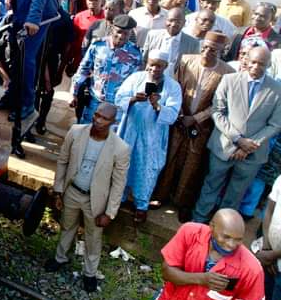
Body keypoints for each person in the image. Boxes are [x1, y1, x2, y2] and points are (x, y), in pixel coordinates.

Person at [44, 103, 130, 293]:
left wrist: (110, 213)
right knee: (67, 227)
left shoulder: (120, 149)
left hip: (95, 201)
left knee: (93, 237)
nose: (98, 120)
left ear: (113, 122)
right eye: (97, 115)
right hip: (72, 191)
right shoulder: (75, 132)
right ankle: (60, 258)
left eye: (104, 118)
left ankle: (89, 273)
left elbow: (118, 184)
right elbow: (63, 161)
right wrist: (58, 190)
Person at [193, 46, 281, 222]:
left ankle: (222, 228)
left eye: (261, 64)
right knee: (210, 186)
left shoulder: (277, 89)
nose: (256, 67)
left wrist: (249, 146)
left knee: (235, 194)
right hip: (224, 147)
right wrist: (238, 139)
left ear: (269, 65)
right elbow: (218, 111)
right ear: (246, 61)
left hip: (252, 154)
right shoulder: (229, 80)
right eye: (253, 62)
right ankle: (197, 223)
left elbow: (275, 124)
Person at [153, 32, 234, 222]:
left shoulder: (227, 72)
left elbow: (220, 104)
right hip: (179, 120)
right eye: (204, 47)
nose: (207, 52)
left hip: (202, 127)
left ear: (222, 51)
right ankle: (161, 196)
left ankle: (183, 203)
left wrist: (197, 117)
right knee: (170, 157)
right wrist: (181, 113)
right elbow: (175, 87)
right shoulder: (186, 61)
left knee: (192, 165)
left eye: (213, 49)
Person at [137, 209, 265, 300]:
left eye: (238, 239)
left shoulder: (252, 269)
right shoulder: (189, 232)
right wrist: (202, 279)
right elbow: (167, 272)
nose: (231, 245)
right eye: (226, 237)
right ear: (212, 226)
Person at [115, 50, 182, 223]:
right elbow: (119, 98)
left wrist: (157, 105)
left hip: (153, 136)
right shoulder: (136, 78)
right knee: (123, 164)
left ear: (165, 66)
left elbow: (173, 114)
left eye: (159, 66)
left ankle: (141, 205)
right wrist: (133, 99)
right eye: (151, 64)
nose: (154, 69)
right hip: (130, 130)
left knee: (148, 169)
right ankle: (118, 199)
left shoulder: (173, 87)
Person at [71, 15, 141, 124]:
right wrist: (74, 93)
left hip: (117, 107)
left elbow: (135, 82)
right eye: (119, 31)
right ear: (112, 28)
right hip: (94, 102)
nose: (121, 36)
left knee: (110, 138)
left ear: (130, 33)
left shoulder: (135, 54)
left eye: (126, 33)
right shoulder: (98, 45)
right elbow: (83, 70)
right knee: (86, 133)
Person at [35, 8, 74, 134]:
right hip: (35, 57)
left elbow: (68, 46)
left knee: (48, 92)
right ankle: (31, 122)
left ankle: (41, 121)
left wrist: (61, 69)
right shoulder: (37, 11)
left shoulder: (64, 18)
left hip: (52, 58)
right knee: (33, 92)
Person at [143, 7, 200, 75]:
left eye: (178, 21)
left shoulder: (193, 43)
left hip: (176, 81)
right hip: (152, 77)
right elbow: (144, 59)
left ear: (184, 23)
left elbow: (192, 68)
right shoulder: (152, 35)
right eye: (170, 20)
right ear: (165, 20)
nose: (173, 24)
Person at [257, 174, 281, 300]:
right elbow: (269, 211)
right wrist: (266, 245)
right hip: (270, 255)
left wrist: (272, 255)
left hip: (273, 257)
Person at [66, 0, 105, 76]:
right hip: (78, 61)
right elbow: (71, 41)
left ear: (102, 1)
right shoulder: (79, 17)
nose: (92, 2)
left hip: (97, 64)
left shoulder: (106, 18)